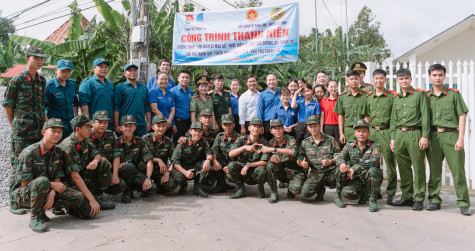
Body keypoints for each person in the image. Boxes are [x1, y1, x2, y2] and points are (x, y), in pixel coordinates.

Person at [11, 118, 93, 232]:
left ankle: (51, 208)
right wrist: (52, 185)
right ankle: (35, 217)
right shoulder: (29, 152)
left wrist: (53, 193)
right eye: (53, 130)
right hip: (24, 194)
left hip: (47, 189)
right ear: (44, 132)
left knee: (77, 196)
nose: (57, 134)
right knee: (42, 181)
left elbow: (58, 175)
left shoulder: (58, 152)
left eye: (60, 131)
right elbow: (24, 182)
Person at [3, 46, 47, 215]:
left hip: (37, 132)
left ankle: (29, 199)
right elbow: (8, 105)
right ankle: (14, 201)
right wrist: (13, 126)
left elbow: (42, 106)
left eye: (41, 58)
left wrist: (45, 125)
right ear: (27, 58)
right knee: (18, 165)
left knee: (35, 165)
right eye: (36, 57)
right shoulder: (17, 80)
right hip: (21, 133)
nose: (39, 61)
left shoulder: (42, 81)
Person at [426, 64, 471, 216]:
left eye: (440, 74)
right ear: (430, 77)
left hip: (451, 135)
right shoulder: (425, 96)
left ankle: (464, 203)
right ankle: (434, 200)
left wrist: (461, 138)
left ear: (444, 76)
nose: (437, 77)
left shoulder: (453, 94)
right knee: (434, 171)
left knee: (458, 171)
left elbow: (462, 116)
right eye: (434, 75)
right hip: (433, 136)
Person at [389, 68, 430, 211]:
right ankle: (407, 196)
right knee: (403, 167)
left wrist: (425, 136)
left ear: (411, 79)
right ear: (397, 81)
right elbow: (393, 120)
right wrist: (393, 138)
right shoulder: (395, 98)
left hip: (415, 134)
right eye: (401, 79)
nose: (404, 81)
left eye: (406, 78)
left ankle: (419, 198)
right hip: (400, 135)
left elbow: (425, 116)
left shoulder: (419, 95)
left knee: (418, 167)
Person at [59, 114, 116, 212]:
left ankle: (97, 198)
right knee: (89, 212)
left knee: (103, 162)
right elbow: (74, 176)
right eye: (87, 127)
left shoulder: (85, 140)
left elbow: (98, 155)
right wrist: (91, 200)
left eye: (90, 126)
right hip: (68, 182)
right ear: (78, 129)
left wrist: (95, 161)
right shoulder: (68, 146)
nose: (90, 129)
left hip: (82, 175)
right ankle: (63, 205)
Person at [361, 69, 398, 205]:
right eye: (376, 78)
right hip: (372, 132)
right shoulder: (369, 98)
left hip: (386, 132)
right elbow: (366, 117)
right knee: (371, 163)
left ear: (385, 79)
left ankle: (391, 192)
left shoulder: (392, 97)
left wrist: (393, 137)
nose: (379, 81)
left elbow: (394, 118)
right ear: (373, 80)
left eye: (381, 78)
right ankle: (373, 190)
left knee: (390, 163)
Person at [334, 119, 382, 212]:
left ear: (369, 132)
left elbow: (374, 161)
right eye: (358, 131)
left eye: (364, 131)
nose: (361, 134)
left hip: (370, 178)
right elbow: (340, 157)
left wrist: (355, 168)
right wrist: (342, 163)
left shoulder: (375, 145)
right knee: (347, 192)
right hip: (356, 179)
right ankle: (338, 195)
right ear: (355, 133)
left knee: (373, 170)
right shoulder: (349, 145)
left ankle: (372, 200)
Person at [297, 115, 340, 201]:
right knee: (305, 193)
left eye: (315, 126)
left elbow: (339, 155)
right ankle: (320, 189)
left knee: (341, 170)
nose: (313, 129)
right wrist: (302, 163)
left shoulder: (330, 140)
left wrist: (331, 161)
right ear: (308, 128)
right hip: (315, 174)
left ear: (320, 126)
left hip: (330, 173)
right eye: (310, 127)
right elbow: (300, 157)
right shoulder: (305, 143)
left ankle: (338, 196)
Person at [260, 119, 304, 203]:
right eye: (275, 128)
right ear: (271, 131)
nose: (277, 130)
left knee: (296, 190)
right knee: (270, 165)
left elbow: (292, 152)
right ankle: (274, 192)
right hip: (281, 172)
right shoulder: (270, 143)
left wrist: (274, 149)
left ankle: (291, 188)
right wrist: (271, 158)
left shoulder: (290, 139)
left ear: (283, 129)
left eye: (279, 128)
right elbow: (265, 159)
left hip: (293, 172)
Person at [116, 115, 157, 203]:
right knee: (128, 166)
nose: (128, 129)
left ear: (135, 128)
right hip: (120, 173)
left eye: (131, 126)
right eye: (126, 126)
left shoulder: (140, 141)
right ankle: (126, 193)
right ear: (121, 128)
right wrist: (117, 165)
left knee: (152, 188)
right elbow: (110, 159)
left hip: (134, 173)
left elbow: (149, 160)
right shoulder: (116, 142)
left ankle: (137, 188)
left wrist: (148, 178)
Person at [170, 121, 215, 197]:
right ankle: (183, 185)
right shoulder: (183, 143)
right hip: (182, 168)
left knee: (207, 163)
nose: (197, 133)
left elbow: (209, 153)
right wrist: (185, 172)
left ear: (202, 132)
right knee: (179, 178)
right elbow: (175, 162)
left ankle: (198, 187)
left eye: (199, 131)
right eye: (195, 131)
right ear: (190, 131)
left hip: (195, 167)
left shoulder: (203, 141)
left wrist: (208, 160)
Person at [90, 111, 128, 199]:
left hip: (106, 171)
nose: (102, 125)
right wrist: (103, 160)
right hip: (91, 172)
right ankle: (95, 196)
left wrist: (115, 175)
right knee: (102, 162)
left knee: (121, 185)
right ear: (93, 123)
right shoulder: (87, 135)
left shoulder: (110, 135)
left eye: (105, 122)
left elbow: (116, 155)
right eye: (99, 122)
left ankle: (102, 191)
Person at [227, 118, 269, 199]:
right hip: (242, 172)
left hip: (255, 171)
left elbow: (265, 161)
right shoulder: (241, 139)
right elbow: (230, 154)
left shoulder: (264, 143)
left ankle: (260, 187)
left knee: (262, 170)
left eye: (258, 127)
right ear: (249, 128)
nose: (256, 129)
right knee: (231, 165)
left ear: (261, 129)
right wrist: (244, 147)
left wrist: (248, 165)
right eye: (254, 126)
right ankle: (240, 189)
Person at [142, 115, 178, 194]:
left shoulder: (169, 141)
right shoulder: (145, 139)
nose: (161, 128)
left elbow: (174, 160)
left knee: (171, 185)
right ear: (153, 127)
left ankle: (157, 186)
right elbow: (142, 157)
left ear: (166, 127)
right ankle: (145, 184)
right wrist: (158, 160)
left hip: (160, 170)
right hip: (146, 169)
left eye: (163, 126)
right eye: (158, 126)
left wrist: (168, 173)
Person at [45, 59, 79, 142]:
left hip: (70, 124)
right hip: (56, 126)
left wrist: (76, 118)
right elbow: (43, 107)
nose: (65, 74)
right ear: (56, 70)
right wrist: (48, 125)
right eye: (63, 71)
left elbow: (75, 102)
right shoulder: (49, 86)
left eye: (68, 71)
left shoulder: (72, 84)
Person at [114, 64, 151, 137]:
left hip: (140, 124)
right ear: (124, 74)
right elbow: (116, 107)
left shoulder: (143, 88)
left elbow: (147, 107)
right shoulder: (120, 87)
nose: (133, 72)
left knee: (142, 146)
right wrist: (116, 125)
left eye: (135, 70)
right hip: (126, 124)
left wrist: (149, 123)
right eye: (130, 70)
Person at [334, 70, 369, 145]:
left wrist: (366, 131)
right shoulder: (342, 97)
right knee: (349, 153)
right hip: (348, 131)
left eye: (356, 79)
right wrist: (341, 133)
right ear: (347, 81)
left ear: (359, 80)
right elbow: (340, 116)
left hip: (361, 131)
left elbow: (367, 116)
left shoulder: (366, 96)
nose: (354, 81)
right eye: (351, 79)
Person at [78, 58, 115, 130]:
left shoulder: (110, 84)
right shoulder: (88, 83)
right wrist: (88, 122)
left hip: (108, 123)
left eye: (106, 67)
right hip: (95, 123)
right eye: (101, 66)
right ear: (94, 68)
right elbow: (84, 104)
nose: (104, 69)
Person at [212, 114, 241, 193]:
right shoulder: (219, 136)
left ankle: (240, 187)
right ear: (222, 125)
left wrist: (232, 166)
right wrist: (214, 161)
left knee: (230, 177)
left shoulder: (239, 138)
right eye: (225, 125)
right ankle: (221, 184)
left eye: (229, 125)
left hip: (234, 163)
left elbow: (243, 157)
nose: (227, 128)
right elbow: (214, 150)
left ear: (234, 125)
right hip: (223, 163)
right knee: (213, 161)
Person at [149, 71, 175, 139]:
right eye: (161, 79)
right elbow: (154, 109)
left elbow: (172, 109)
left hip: (168, 125)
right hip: (157, 125)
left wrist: (169, 122)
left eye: (166, 79)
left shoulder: (170, 93)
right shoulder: (153, 91)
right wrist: (165, 121)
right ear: (157, 80)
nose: (163, 81)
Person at [169, 69, 193, 144]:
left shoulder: (190, 91)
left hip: (188, 122)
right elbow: (170, 109)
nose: (185, 79)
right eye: (183, 77)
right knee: (178, 143)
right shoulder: (173, 91)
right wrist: (173, 124)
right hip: (178, 122)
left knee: (187, 143)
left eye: (187, 77)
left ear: (189, 79)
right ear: (178, 78)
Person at [257, 74, 281, 141]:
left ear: (276, 81)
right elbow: (260, 110)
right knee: (268, 142)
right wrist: (260, 125)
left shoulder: (282, 93)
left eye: (273, 79)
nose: (271, 82)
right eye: (269, 80)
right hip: (267, 123)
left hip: (280, 122)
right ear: (266, 82)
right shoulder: (263, 94)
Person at [320, 79, 341, 146]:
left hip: (338, 126)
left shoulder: (340, 100)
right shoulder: (324, 101)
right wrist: (321, 129)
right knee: (327, 146)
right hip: (327, 127)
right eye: (331, 87)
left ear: (337, 87)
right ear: (327, 88)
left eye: (335, 86)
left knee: (338, 145)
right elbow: (322, 116)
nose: (333, 89)